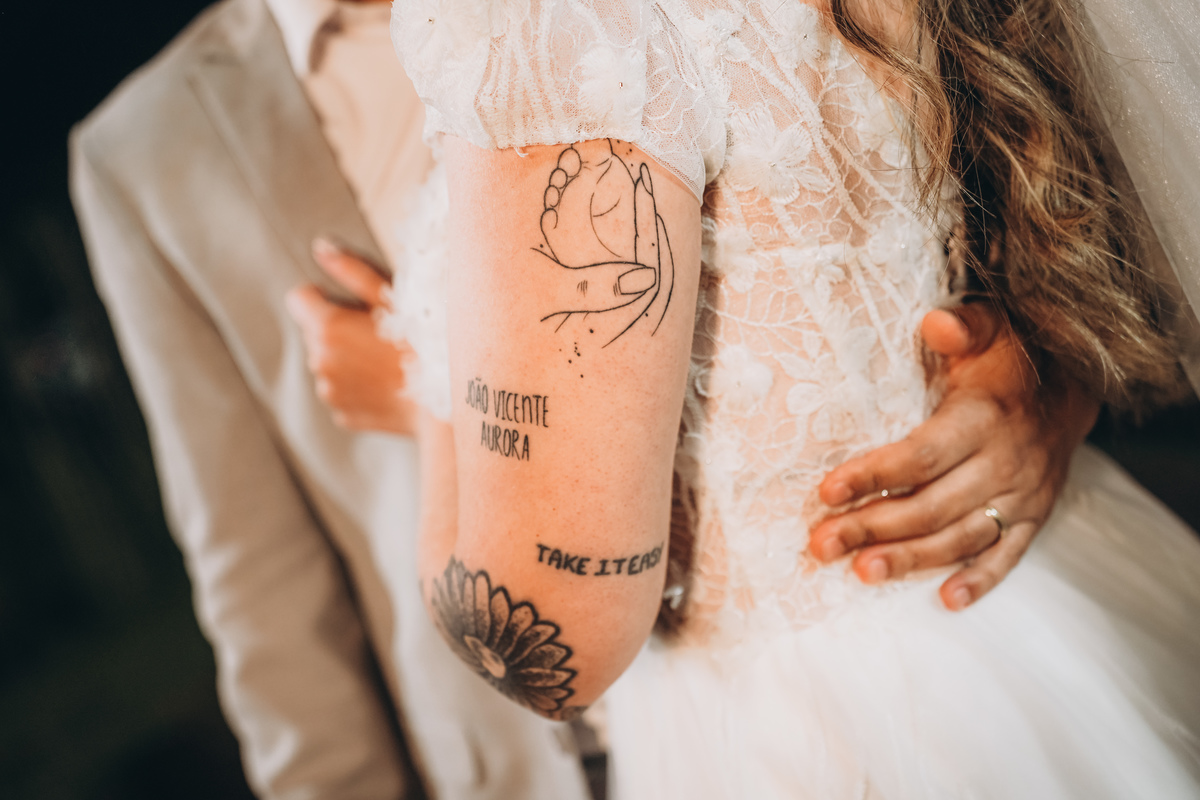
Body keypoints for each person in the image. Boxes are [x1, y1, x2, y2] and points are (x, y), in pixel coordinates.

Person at [374, 0, 1200, 796]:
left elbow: (556, 640)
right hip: (1020, 626)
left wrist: (413, 397)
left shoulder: (558, 24)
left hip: (805, 725)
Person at [69, 0, 596, 797]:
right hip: (514, 757)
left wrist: (421, 388)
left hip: (741, 659)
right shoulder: (145, 151)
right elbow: (257, 573)